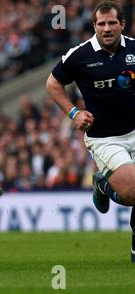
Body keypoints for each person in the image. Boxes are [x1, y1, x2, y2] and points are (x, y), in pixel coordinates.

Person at [46, 1, 135, 262]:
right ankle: (103, 184)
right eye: (101, 24)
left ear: (122, 24)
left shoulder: (134, 49)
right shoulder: (80, 55)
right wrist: (74, 113)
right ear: (94, 26)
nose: (106, 28)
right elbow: (52, 83)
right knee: (131, 192)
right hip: (106, 138)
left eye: (111, 23)